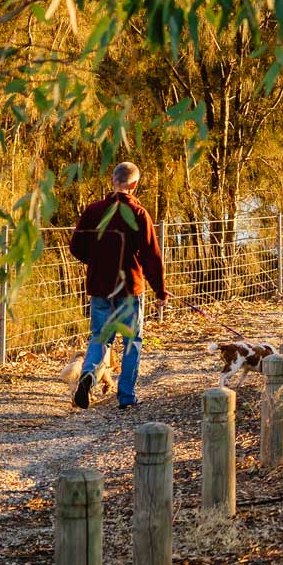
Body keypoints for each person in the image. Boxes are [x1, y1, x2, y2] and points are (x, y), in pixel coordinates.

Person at [68, 161, 166, 410]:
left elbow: (76, 247)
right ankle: (126, 397)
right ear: (134, 185)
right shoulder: (139, 214)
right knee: (132, 342)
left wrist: (98, 262)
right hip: (129, 290)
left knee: (100, 338)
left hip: (100, 287)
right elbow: (150, 256)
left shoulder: (93, 211)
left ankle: (88, 375)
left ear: (113, 181)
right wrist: (159, 289)